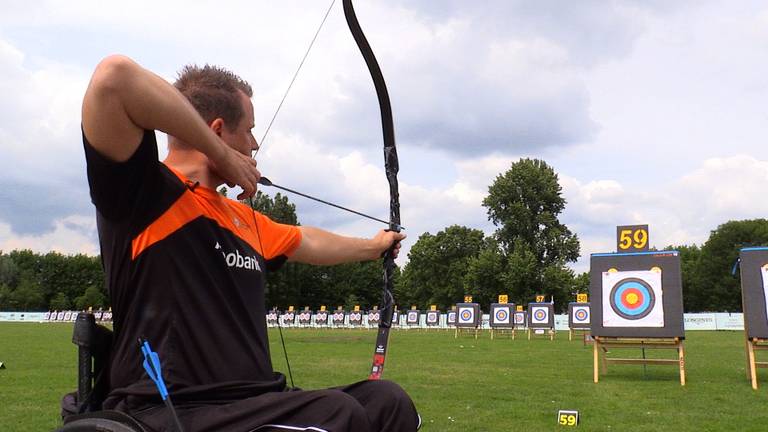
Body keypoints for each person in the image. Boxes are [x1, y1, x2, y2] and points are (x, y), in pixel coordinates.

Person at [78, 54, 419, 431]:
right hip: (170, 408)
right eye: (249, 130)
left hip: (252, 404)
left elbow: (306, 240)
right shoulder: (144, 194)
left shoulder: (241, 219)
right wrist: (221, 153)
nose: (254, 144)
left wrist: (374, 247)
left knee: (388, 402)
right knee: (338, 414)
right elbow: (114, 78)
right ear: (219, 129)